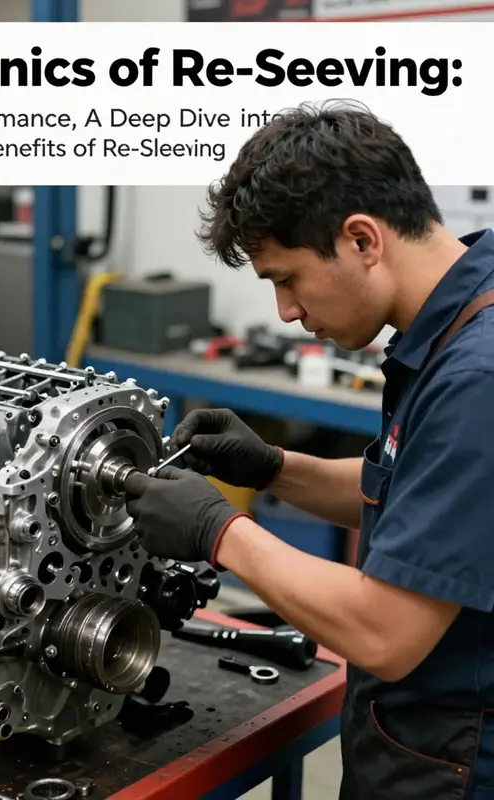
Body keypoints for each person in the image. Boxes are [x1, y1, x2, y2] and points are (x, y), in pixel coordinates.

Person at [123, 100, 494, 799]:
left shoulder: (479, 374)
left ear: (362, 240)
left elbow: (386, 632)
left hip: (456, 765)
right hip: (420, 739)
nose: (286, 312)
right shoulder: (454, 323)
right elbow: (419, 494)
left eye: (286, 278)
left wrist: (218, 531)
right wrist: (273, 467)